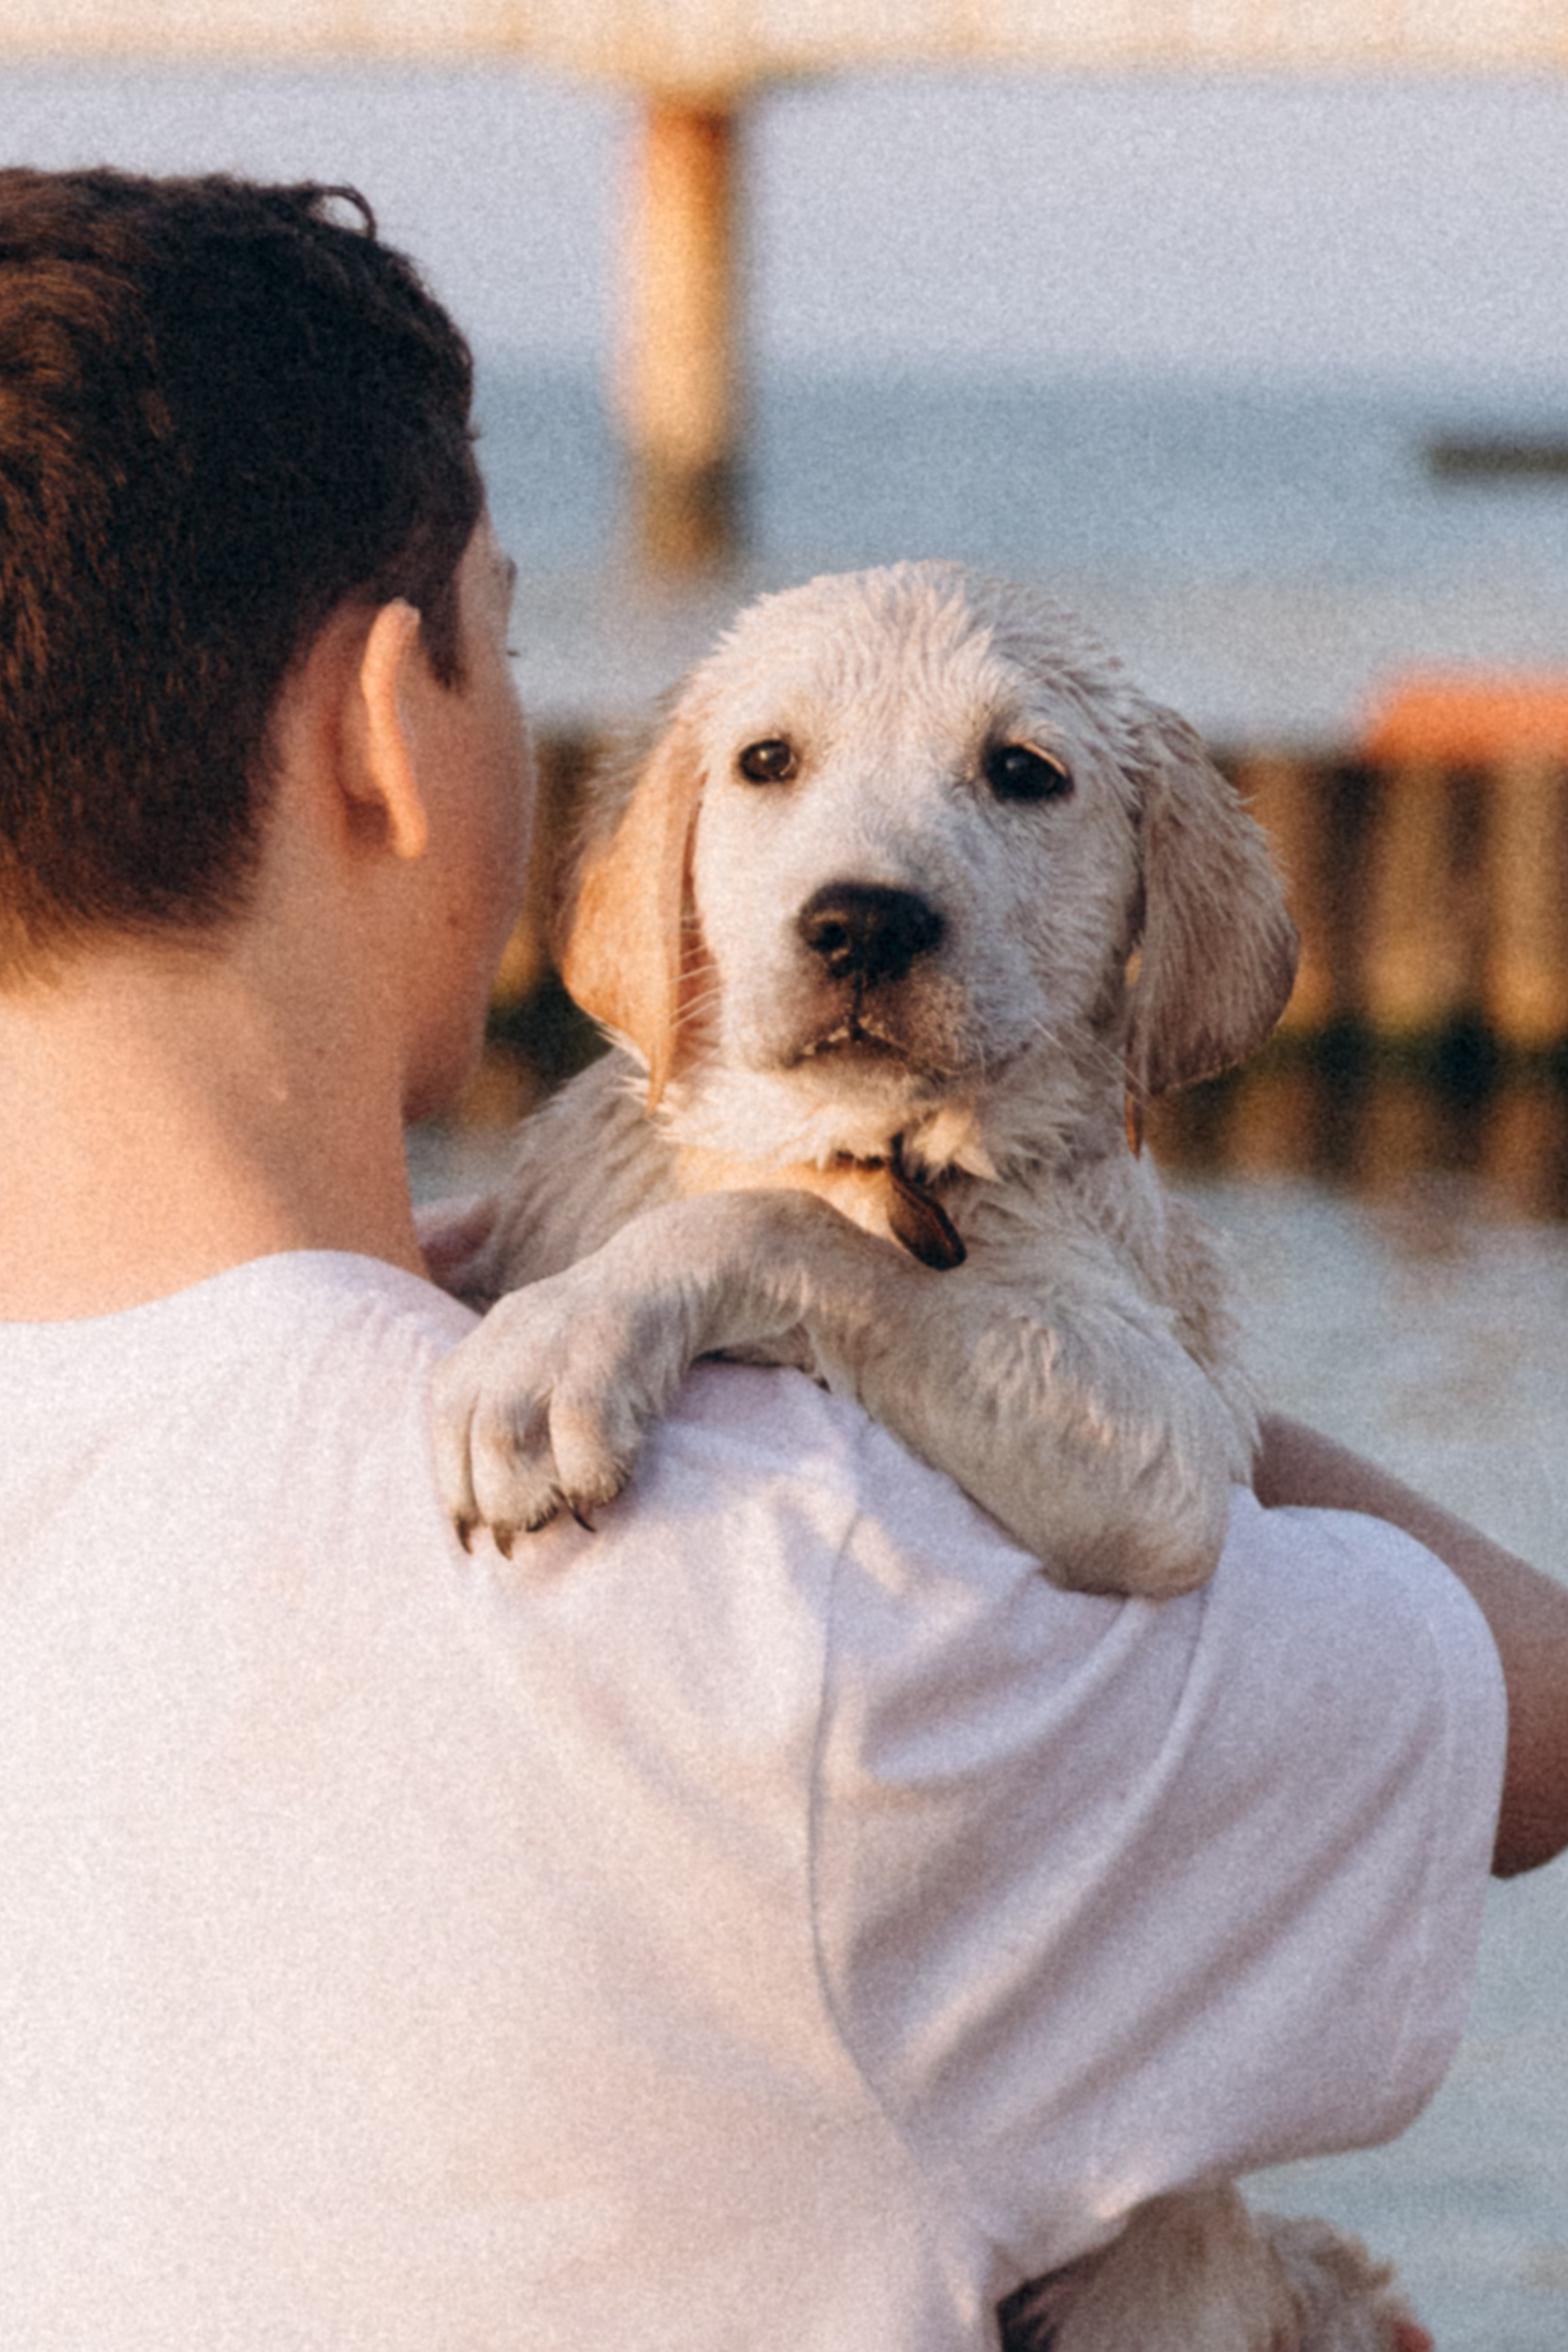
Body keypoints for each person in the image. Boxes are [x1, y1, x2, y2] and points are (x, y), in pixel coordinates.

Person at [0, 164, 1561, 2351]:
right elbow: (1531, 1712)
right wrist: (1005, 1316)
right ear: (386, 737)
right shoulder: (826, 1608)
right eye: (508, 645)